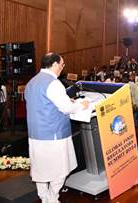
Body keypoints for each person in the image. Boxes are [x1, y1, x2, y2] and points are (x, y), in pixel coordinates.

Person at [25, 53, 90, 203]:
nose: (63, 67)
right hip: (54, 135)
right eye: (62, 64)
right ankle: (52, 198)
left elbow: (44, 103)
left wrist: (68, 100)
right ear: (54, 64)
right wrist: (82, 104)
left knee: (40, 170)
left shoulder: (32, 82)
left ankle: (44, 198)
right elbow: (67, 108)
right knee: (60, 170)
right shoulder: (54, 83)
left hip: (36, 134)